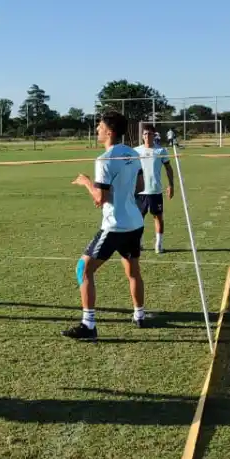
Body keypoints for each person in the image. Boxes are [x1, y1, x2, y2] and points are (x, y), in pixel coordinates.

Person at [66, 111, 145, 340]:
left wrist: (86, 182)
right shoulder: (133, 153)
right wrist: (117, 195)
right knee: (133, 271)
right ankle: (139, 315)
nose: (97, 130)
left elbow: (100, 198)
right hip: (135, 222)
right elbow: (139, 186)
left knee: (83, 269)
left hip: (115, 226)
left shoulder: (104, 159)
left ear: (109, 132)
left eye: (99, 127)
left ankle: (88, 325)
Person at [135, 126, 175, 254]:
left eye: (150, 134)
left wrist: (171, 185)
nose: (147, 136)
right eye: (145, 134)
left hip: (155, 190)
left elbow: (168, 168)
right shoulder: (135, 151)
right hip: (140, 192)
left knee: (158, 218)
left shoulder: (161, 150)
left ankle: (159, 244)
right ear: (142, 136)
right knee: (138, 219)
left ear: (154, 135)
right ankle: (139, 243)